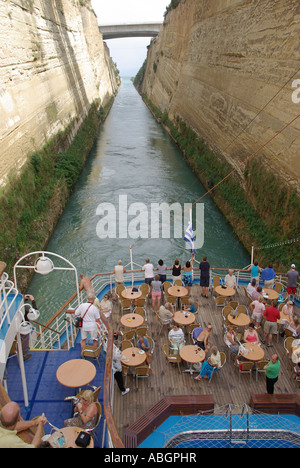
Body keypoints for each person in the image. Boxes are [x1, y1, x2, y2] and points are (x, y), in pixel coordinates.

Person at [20, 294, 39, 362]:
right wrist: (33, 300)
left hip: (15, 324)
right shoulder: (26, 314)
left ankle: (19, 351)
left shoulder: (15, 311)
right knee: (24, 340)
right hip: (23, 326)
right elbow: (35, 313)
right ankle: (24, 356)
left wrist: (23, 299)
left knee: (20, 340)